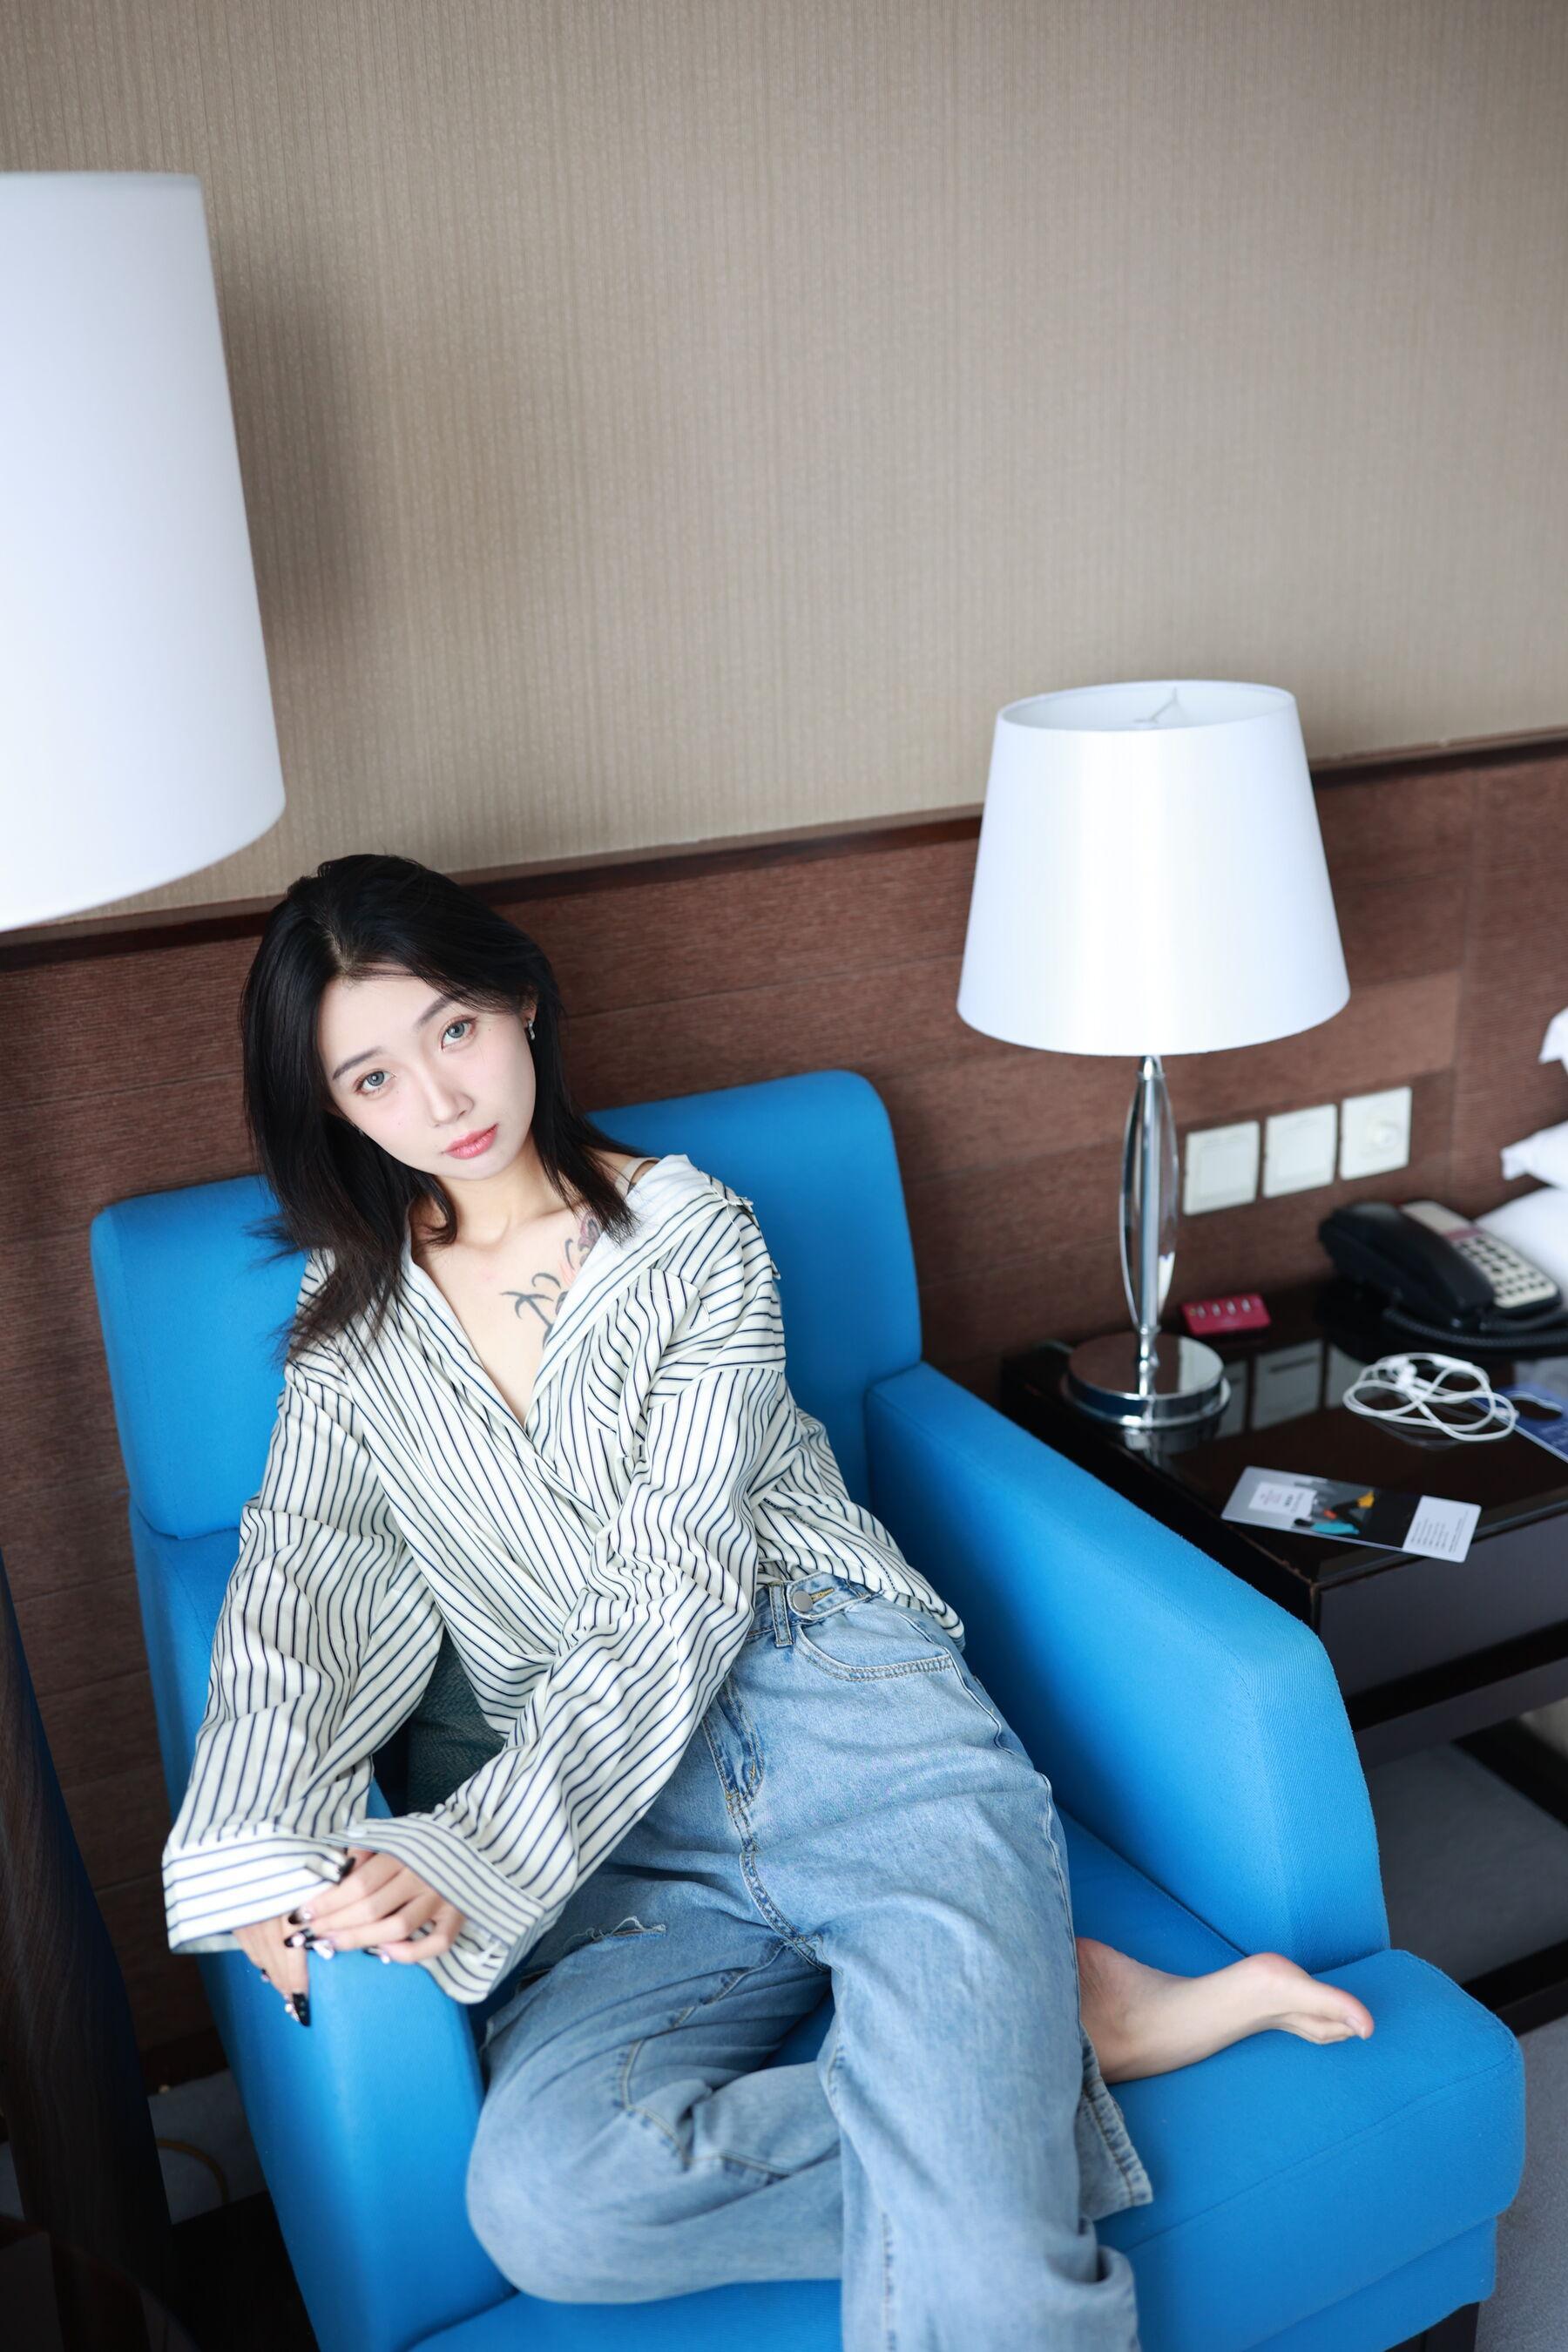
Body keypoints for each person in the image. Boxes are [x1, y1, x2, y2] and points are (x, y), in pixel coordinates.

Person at [161, 854, 1374, 2349]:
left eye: (455, 1027)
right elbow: (301, 1573)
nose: (441, 1096)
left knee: (997, 2288)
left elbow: (678, 1585)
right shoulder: (349, 1326)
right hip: (619, 1835)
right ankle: (1042, 2053)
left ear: (522, 1001)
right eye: (374, 1077)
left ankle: (1004, 2075)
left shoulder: (693, 1239)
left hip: (840, 1714)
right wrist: (259, 1841)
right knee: (555, 2203)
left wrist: (474, 1849)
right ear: (337, 1111)